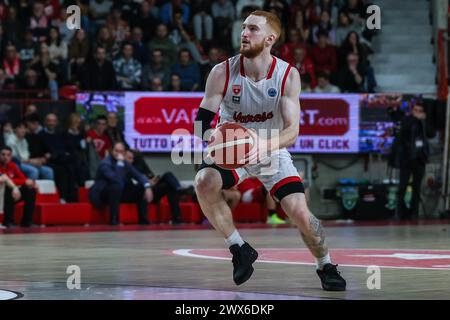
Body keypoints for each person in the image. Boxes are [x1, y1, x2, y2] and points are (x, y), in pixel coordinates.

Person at [193, 10, 346, 291]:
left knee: (300, 213)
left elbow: (293, 131)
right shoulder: (221, 71)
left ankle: (326, 264)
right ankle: (239, 249)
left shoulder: (287, 75)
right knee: (203, 182)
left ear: (269, 38)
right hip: (232, 148)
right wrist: (210, 136)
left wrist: (263, 145)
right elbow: (202, 121)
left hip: (270, 148)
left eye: (252, 29)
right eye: (244, 28)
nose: (244, 33)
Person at [88, 142, 153, 225]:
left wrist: (147, 187)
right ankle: (113, 220)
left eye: (121, 151)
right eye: (116, 151)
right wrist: (119, 163)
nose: (118, 153)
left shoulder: (125, 162)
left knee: (141, 187)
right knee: (116, 186)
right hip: (102, 193)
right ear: (112, 151)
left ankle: (143, 220)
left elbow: (139, 175)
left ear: (124, 152)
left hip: (119, 192)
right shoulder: (105, 164)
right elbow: (116, 179)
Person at [124, 149, 188, 224]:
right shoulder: (124, 168)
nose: (131, 160)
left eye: (132, 158)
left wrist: (152, 181)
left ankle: (177, 216)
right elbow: (133, 183)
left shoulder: (139, 166)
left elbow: (148, 176)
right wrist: (147, 184)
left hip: (151, 190)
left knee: (168, 180)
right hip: (139, 193)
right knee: (143, 188)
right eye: (129, 158)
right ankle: (178, 190)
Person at [396, 100, 435, 220]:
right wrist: (414, 119)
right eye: (415, 110)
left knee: (416, 187)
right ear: (412, 111)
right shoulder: (408, 120)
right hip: (407, 158)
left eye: (419, 111)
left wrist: (423, 121)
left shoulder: (424, 122)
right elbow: (403, 131)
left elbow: (431, 133)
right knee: (402, 186)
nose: (417, 113)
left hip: (419, 158)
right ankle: (400, 213)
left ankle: (414, 213)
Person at [0, 146, 37, 228]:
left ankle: (27, 222)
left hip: (14, 192)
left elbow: (23, 179)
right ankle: (8, 221)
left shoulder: (12, 165)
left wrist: (18, 184)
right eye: (3, 154)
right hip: (2, 195)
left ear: (11, 156)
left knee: (30, 190)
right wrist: (16, 184)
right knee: (8, 190)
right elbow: (5, 180)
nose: (5, 157)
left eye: (8, 155)